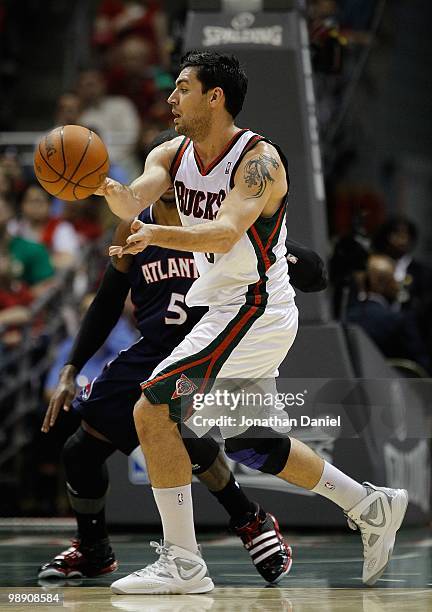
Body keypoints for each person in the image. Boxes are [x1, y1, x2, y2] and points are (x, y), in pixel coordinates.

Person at [96, 51, 407, 594]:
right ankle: (370, 504)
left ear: (215, 97)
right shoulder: (170, 152)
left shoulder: (260, 161)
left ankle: (183, 565)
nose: (172, 98)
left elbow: (224, 233)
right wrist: (109, 191)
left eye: (184, 88)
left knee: (153, 409)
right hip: (224, 306)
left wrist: (156, 235)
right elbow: (136, 195)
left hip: (254, 306)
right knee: (249, 441)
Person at [39, 130, 329, 583]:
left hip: (205, 348)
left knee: (179, 434)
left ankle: (247, 519)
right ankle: (94, 551)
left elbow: (313, 273)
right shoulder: (134, 226)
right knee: (79, 451)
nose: (181, 181)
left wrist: (290, 256)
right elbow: (107, 300)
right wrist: (72, 367)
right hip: (151, 349)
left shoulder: (221, 225)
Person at [347, 254, 431, 373]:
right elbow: (422, 369)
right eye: (394, 280)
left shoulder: (346, 317)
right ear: (381, 284)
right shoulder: (399, 321)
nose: (397, 286)